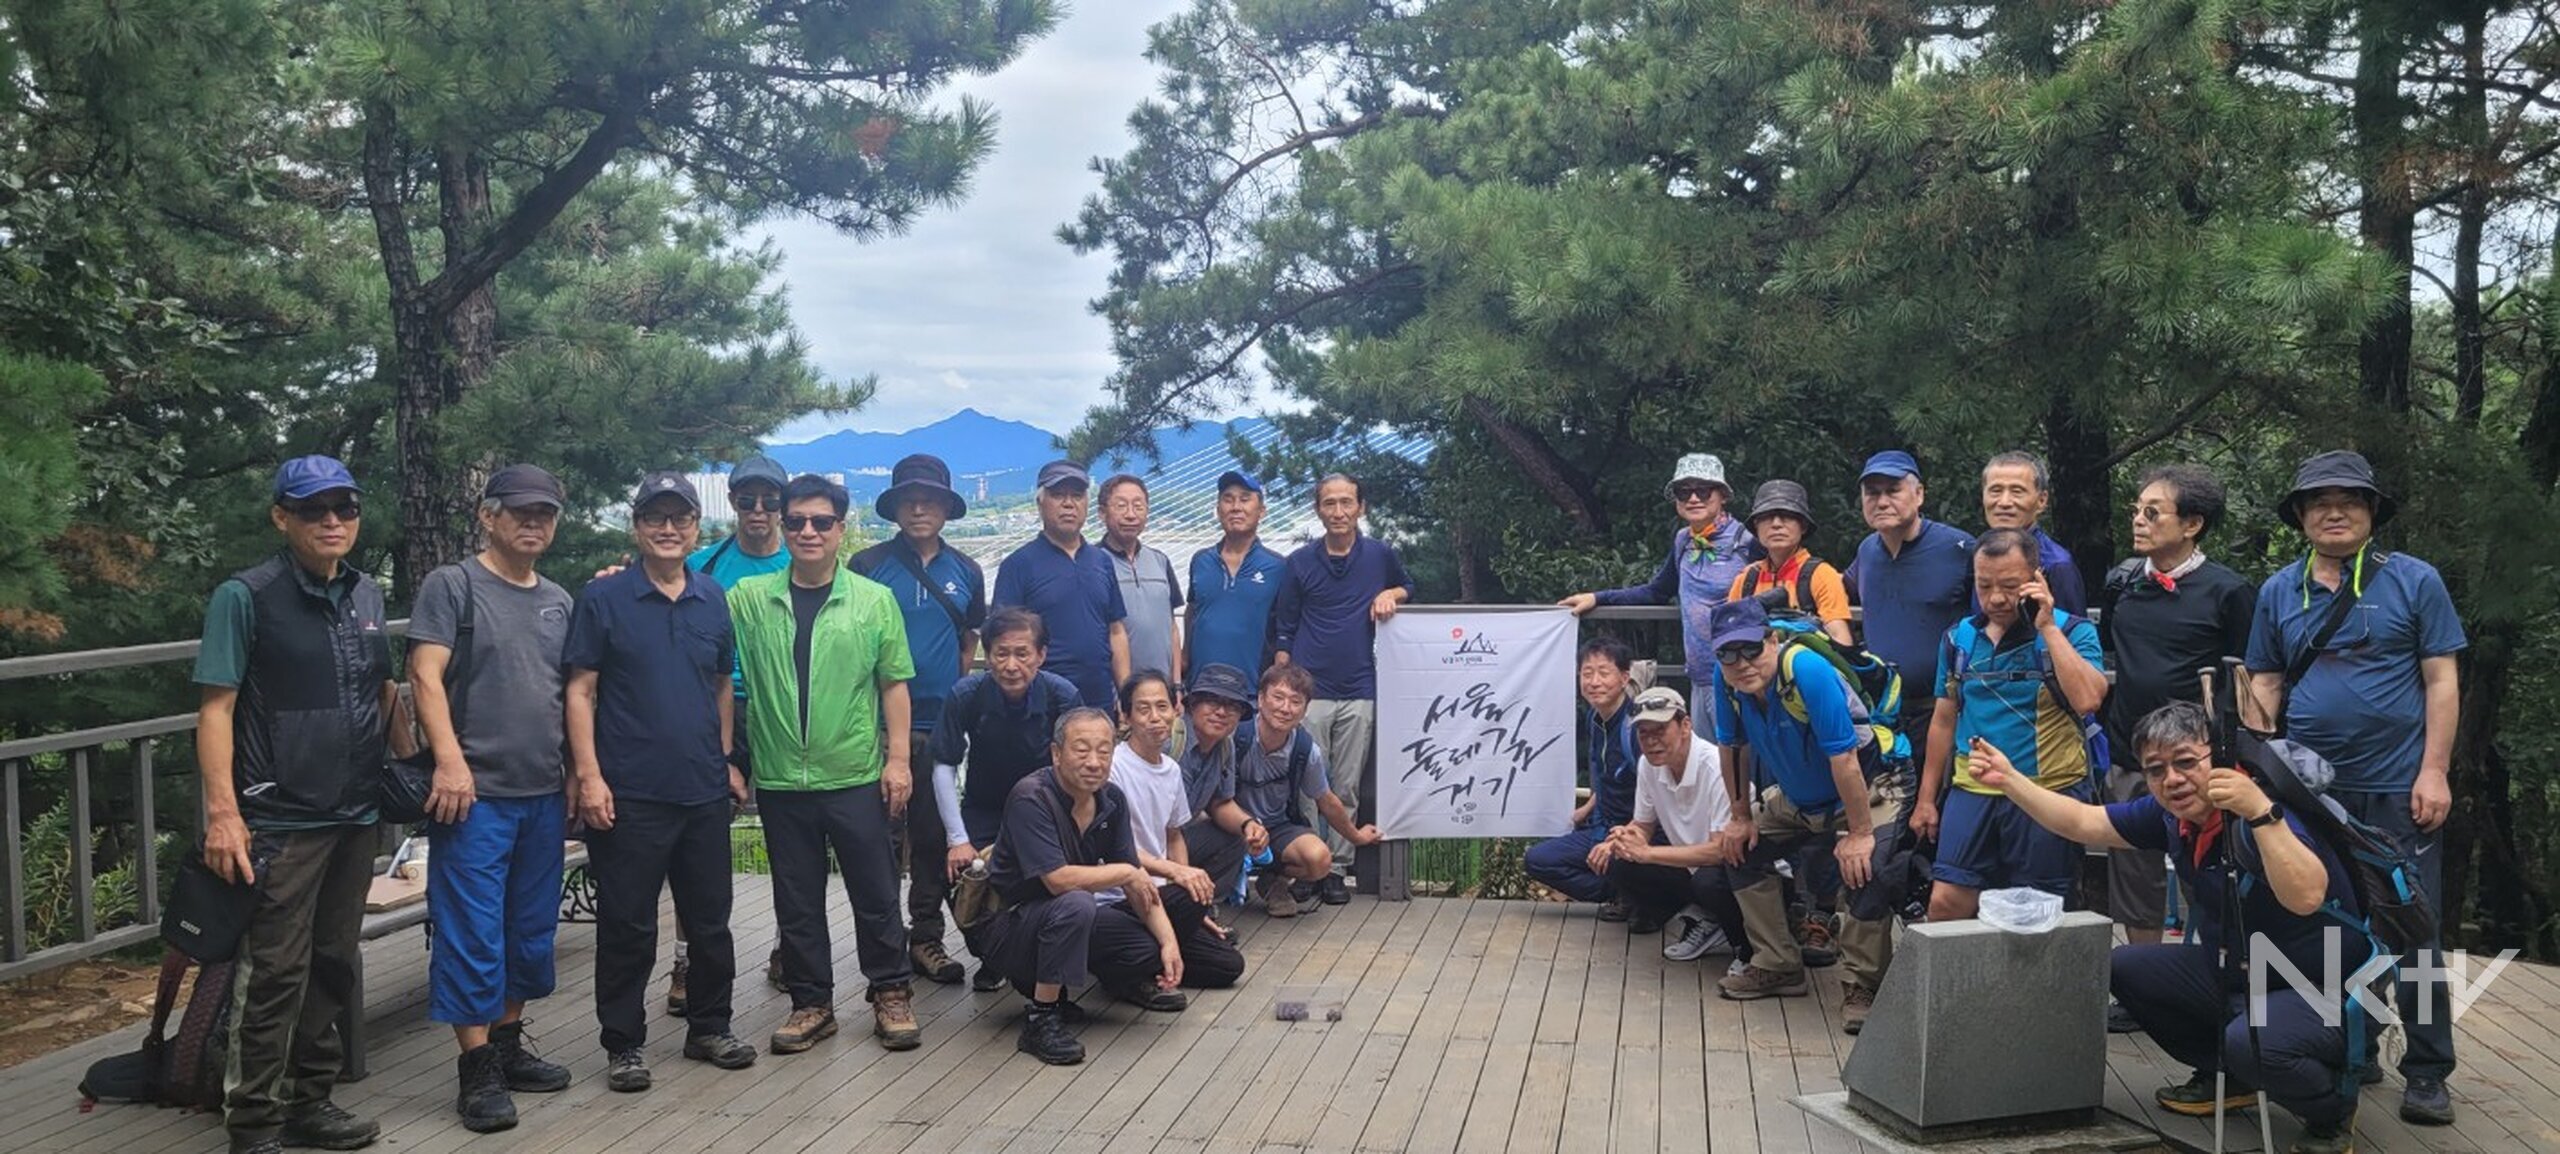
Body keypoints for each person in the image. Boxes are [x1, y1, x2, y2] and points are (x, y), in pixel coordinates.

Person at [1969, 703, 2368, 1154]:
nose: (2172, 780)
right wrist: (2009, 779)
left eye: (2185, 762)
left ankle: (2331, 1110)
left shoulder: (2263, 810)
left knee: (2254, 1039)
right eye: (2155, 769)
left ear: (2217, 758)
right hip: (2243, 973)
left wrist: (2260, 813)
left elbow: (2307, 896)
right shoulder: (2174, 817)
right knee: (2126, 967)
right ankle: (2231, 1073)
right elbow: (2085, 822)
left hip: (2329, 988)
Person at [192, 455, 407, 1154]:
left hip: (355, 813)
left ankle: (309, 1102)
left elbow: (383, 691)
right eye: (315, 510)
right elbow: (216, 710)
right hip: (281, 817)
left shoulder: (367, 595)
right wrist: (224, 815)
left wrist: (412, 767)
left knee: (333, 965)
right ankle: (253, 1125)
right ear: (282, 517)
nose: (333, 521)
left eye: (345, 508)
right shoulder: (245, 596)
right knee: (274, 973)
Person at [2244, 449, 2466, 1127]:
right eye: (2318, 501)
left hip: (2398, 789)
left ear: (2371, 512)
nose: (2333, 511)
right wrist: (2259, 767)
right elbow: (2265, 682)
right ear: (2302, 517)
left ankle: (2428, 1070)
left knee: (2413, 930)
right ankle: (2356, 1043)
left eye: (2349, 500)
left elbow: (2441, 681)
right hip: (2312, 795)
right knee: (2333, 925)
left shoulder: (2414, 581)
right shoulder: (2280, 590)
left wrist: (2434, 770)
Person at [564, 471, 758, 1096]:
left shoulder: (710, 596)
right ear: (637, 526)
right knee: (628, 924)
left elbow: (721, 683)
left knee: (710, 921)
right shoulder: (605, 599)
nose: (669, 529)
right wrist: (588, 775)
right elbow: (580, 690)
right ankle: (624, 1043)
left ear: (697, 528)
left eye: (680, 519)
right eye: (656, 518)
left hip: (702, 786)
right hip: (630, 789)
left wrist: (726, 755)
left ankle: (709, 1027)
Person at [729, 473, 922, 1055]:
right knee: (796, 895)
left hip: (856, 772)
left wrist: (899, 758)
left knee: (876, 890)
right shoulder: (749, 600)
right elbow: (683, 598)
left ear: (841, 529)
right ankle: (811, 1003)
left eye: (821, 522)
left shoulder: (872, 599)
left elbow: (894, 684)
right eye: (796, 521)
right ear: (783, 528)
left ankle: (890, 991)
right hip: (783, 775)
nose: (807, 531)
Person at [409, 464, 576, 1130]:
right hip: (473, 793)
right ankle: (475, 1070)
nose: (533, 523)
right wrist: (448, 762)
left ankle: (507, 1048)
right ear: (488, 515)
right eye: (521, 512)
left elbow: (570, 692)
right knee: (472, 931)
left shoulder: (560, 600)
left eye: (546, 514)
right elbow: (424, 675)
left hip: (542, 791)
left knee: (528, 929)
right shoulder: (452, 586)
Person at [2095, 464, 2255, 1029]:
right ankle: (2146, 979)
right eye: (2137, 509)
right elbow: (2113, 649)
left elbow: (2246, 680)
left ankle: (2216, 975)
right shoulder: (2122, 581)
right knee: (2133, 866)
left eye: (2152, 512)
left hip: (2199, 758)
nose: (2138, 520)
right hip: (2129, 747)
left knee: (2208, 867)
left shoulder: (2230, 591)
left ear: (2192, 524)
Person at [1705, 598, 1908, 1032]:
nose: (1740, 663)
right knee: (1740, 849)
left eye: (1750, 649)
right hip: (1800, 798)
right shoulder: (1728, 686)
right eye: (1726, 653)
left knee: (1867, 867)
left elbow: (1846, 760)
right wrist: (1739, 816)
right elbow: (1731, 748)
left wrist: (1858, 833)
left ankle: (1863, 984)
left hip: (1868, 787)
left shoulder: (1807, 672)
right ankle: (1777, 963)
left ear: (1772, 640)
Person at [1912, 528, 2108, 921]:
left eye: (2010, 585)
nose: (1996, 598)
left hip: (2047, 790)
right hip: (1974, 786)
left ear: (2038, 579)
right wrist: (1926, 799)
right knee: (1947, 899)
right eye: (1985, 586)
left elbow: (2089, 699)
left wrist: (2047, 627)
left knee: (2041, 910)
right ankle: (1956, 984)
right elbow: (1944, 719)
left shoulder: (2073, 631)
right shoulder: (1958, 639)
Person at [849, 453, 988, 988]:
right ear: (896, 506)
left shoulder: (966, 571)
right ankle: (883, 943)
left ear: (947, 508)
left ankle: (925, 937)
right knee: (878, 839)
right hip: (877, 728)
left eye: (930, 498)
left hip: (941, 724)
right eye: (910, 498)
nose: (919, 507)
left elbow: (970, 636)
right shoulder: (867, 565)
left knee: (932, 837)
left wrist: (955, 690)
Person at [982, 708, 1189, 1066]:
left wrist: (1170, 943)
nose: (1094, 762)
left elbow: (1137, 882)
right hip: (1007, 929)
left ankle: (1073, 985)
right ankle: (1041, 1016)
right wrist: (1126, 872)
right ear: (1056, 753)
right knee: (1077, 901)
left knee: (1148, 948)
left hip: (1060, 922)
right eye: (1081, 750)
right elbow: (1059, 880)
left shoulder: (1111, 800)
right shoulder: (1031, 797)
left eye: (1104, 751)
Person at [664, 454, 787, 1018]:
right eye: (746, 499)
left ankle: (793, 946)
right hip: (717, 707)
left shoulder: (804, 557)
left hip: (784, 708)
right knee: (701, 837)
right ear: (732, 503)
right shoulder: (706, 564)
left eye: (769, 500)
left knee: (793, 835)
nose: (758, 510)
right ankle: (690, 957)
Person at [926, 607, 1085, 990]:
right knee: (967, 880)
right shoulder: (967, 694)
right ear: (987, 653)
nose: (1011, 665)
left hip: (1045, 811)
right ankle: (993, 955)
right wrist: (957, 839)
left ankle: (1035, 958)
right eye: (1001, 653)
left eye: (1022, 653)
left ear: (1041, 655)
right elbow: (944, 764)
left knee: (1043, 884)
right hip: (985, 806)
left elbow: (1081, 766)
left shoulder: (1062, 696)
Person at [1270, 473, 1411, 896]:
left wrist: (1394, 596)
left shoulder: (1379, 555)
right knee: (1309, 784)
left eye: (1346, 502)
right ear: (1318, 510)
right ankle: (1312, 863)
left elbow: (1408, 585)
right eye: (1329, 503)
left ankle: (1336, 870)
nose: (1338, 511)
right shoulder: (1300, 561)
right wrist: (1283, 683)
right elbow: (1285, 623)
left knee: (1345, 783)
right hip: (1309, 689)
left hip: (1359, 686)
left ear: (1361, 507)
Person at [1560, 453, 1757, 718]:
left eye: (1703, 490)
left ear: (1722, 495)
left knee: (1743, 759)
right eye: (1683, 492)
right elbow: (1656, 591)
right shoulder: (1683, 541)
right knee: (1707, 758)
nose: (1693, 498)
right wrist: (1597, 598)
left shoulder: (1746, 542)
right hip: (1700, 678)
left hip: (1741, 676)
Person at [1108, 670, 1248, 996]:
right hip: (1118, 897)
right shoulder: (1113, 767)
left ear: (1176, 710)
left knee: (1228, 965)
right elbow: (1114, 849)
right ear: (1125, 715)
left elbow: (1174, 836)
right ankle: (1130, 974)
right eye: (1143, 709)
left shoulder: (1170, 770)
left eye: (1162, 707)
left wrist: (1183, 879)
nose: (1155, 718)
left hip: (1158, 894)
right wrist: (1180, 877)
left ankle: (1153, 956)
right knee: (1189, 893)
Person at [1583, 687, 1738, 964]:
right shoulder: (1648, 765)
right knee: (1620, 861)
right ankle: (1704, 918)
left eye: (1660, 731)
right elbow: (1642, 825)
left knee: (1710, 879)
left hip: (1738, 871)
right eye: (1644, 733)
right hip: (1690, 867)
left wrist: (1648, 853)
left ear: (1686, 725)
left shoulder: (1715, 765)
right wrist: (1619, 839)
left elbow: (1720, 851)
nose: (1652, 741)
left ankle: (1743, 944)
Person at [1849, 451, 1977, 768]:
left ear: (1918, 494)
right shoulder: (1867, 551)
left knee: (1936, 811)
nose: (1881, 502)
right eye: (1872, 493)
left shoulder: (1958, 548)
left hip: (1944, 713)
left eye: (1893, 491)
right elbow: (1838, 591)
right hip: (1884, 713)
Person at [1232, 663, 1384, 917]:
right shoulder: (1236, 737)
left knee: (1319, 860)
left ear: (1305, 710)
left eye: (1295, 701)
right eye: (1277, 697)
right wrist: (1245, 825)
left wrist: (1356, 837)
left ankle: (1275, 881)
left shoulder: (1305, 750)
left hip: (1276, 827)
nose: (1285, 708)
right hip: (1231, 826)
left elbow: (1325, 800)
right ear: (1260, 699)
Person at [992, 459, 1130, 709]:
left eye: (1077, 496)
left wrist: (1126, 694)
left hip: (1099, 698)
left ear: (1087, 504)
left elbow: (1116, 630)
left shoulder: (1101, 561)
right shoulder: (1019, 564)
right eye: (1057, 495)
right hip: (1041, 701)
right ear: (1039, 503)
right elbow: (1000, 638)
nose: (1068, 504)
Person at [1522, 638, 1643, 919]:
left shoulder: (1636, 729)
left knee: (1625, 865)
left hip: (1637, 832)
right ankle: (1620, 892)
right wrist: (1584, 811)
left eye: (1604, 672)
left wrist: (1620, 839)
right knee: (1538, 860)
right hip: (1601, 826)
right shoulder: (1595, 718)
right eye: (1587, 674)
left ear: (1624, 678)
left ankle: (1638, 893)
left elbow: (1660, 797)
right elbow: (1606, 778)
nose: (1594, 682)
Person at [1170, 663, 1270, 896]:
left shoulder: (1225, 745)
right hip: (1148, 841)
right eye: (1213, 702)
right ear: (1193, 704)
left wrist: (1249, 825)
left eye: (1232, 706)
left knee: (1236, 838)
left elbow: (1220, 802)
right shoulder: (1169, 740)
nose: (1221, 712)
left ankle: (1200, 906)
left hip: (1182, 835)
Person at [1185, 471, 1286, 695]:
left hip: (1251, 691)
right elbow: (1192, 611)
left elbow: (1286, 627)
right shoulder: (1200, 560)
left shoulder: (1278, 567)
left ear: (1262, 511)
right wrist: (1184, 660)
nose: (1236, 507)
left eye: (1244, 499)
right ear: (1218, 509)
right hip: (1200, 690)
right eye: (1228, 499)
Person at [1728, 479, 1854, 647]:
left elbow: (1840, 638)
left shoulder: (1821, 575)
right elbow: (1728, 634)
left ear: (1802, 526)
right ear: (1756, 527)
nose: (1776, 524)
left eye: (1787, 516)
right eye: (1766, 517)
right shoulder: (1747, 579)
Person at [1098, 474, 1185, 687]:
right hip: (1116, 694)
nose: (1130, 515)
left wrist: (1177, 684)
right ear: (1102, 513)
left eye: (1138, 506)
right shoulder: (1092, 564)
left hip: (1162, 692)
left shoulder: (1160, 561)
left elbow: (1171, 627)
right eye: (1121, 506)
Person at [1979, 450, 2087, 615]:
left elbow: (2074, 636)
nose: (2004, 502)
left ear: (2041, 500)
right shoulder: (1978, 554)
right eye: (1995, 490)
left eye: (2017, 491)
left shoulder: (2056, 565)